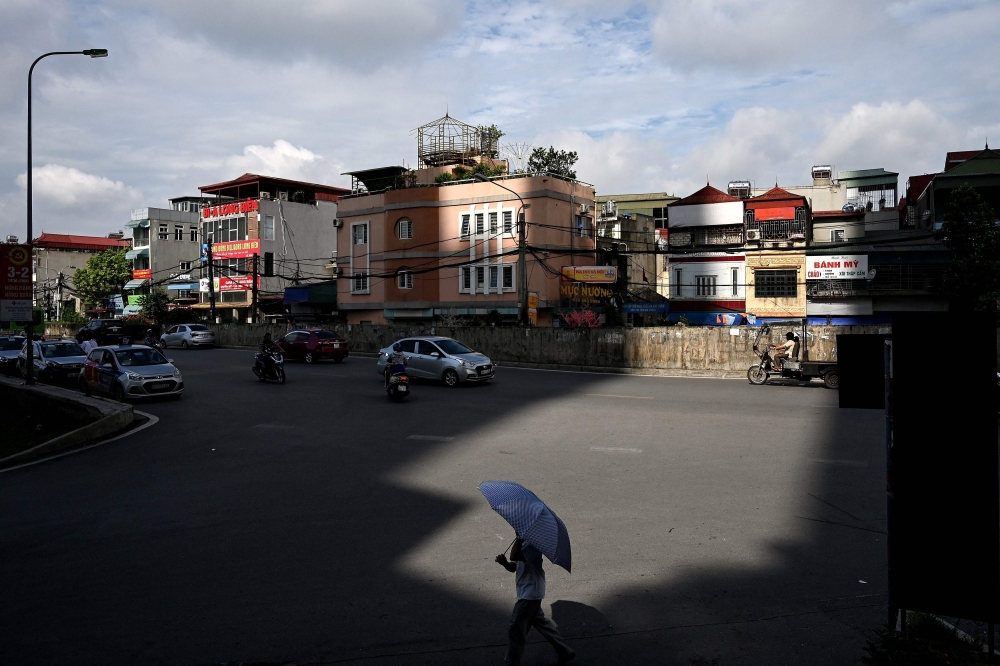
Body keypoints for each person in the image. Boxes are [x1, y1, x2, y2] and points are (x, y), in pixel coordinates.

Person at [495, 536, 575, 665]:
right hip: (528, 592)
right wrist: (504, 563)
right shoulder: (524, 542)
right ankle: (565, 651)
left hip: (530, 594)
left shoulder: (534, 545)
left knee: (516, 628)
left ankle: (511, 662)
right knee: (542, 624)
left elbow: (514, 556)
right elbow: (513, 566)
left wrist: (519, 539)